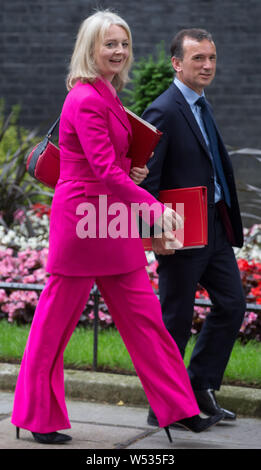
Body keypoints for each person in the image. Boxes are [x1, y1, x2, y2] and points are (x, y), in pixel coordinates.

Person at [11, 13, 223, 445]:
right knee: (53, 328)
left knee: (147, 324)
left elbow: (110, 164)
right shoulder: (86, 98)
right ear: (90, 48)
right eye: (110, 44)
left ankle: (179, 409)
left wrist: (135, 169)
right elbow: (103, 171)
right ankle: (36, 416)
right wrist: (153, 209)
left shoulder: (105, 93)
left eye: (124, 43)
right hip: (83, 222)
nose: (120, 51)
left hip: (111, 220)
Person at [141, 28, 246, 427]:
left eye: (211, 58)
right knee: (176, 320)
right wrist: (155, 232)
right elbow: (147, 180)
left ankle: (200, 386)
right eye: (198, 58)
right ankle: (163, 407)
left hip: (214, 227)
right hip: (180, 229)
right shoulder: (164, 109)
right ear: (177, 63)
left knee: (232, 304)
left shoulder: (201, 103)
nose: (207, 65)